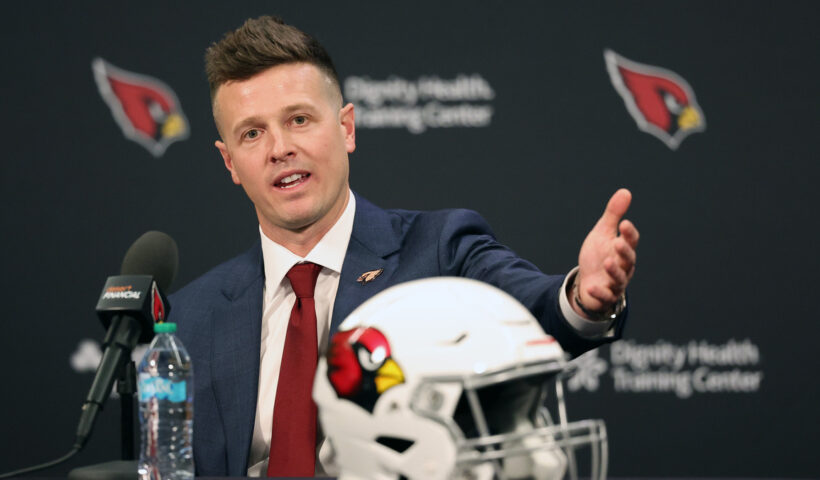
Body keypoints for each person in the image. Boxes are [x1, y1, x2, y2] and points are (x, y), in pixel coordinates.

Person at [169, 15, 639, 478]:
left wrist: (582, 299)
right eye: (252, 133)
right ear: (229, 161)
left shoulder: (437, 250)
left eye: (299, 119)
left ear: (346, 128)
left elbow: (528, 311)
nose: (279, 148)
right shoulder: (188, 321)